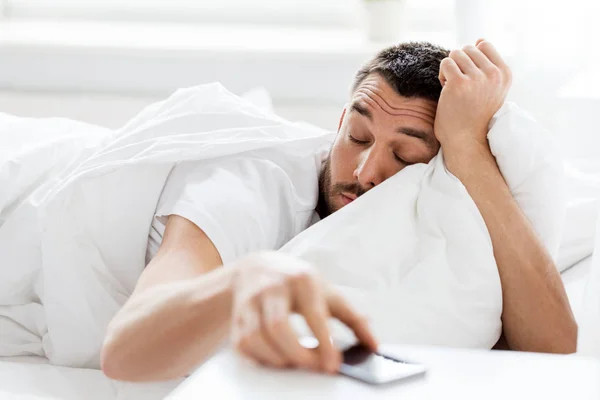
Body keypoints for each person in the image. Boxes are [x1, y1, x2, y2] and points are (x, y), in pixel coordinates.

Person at [100, 39, 577, 382]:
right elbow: (124, 353)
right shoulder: (251, 184)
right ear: (339, 122)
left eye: (406, 156)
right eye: (358, 137)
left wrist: (468, 147)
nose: (367, 171)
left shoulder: (432, 218)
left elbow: (552, 345)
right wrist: (244, 278)